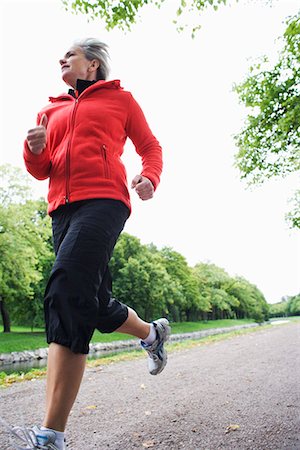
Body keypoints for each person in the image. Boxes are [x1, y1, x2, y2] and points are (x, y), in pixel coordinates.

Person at [8, 38, 170, 450]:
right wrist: (33, 150)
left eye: (70, 55)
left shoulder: (122, 101)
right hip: (61, 210)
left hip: (104, 201)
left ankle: (50, 435)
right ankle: (152, 335)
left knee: (66, 289)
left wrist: (149, 177)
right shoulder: (50, 109)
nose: (61, 59)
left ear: (93, 65)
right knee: (93, 302)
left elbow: (150, 146)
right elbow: (41, 169)